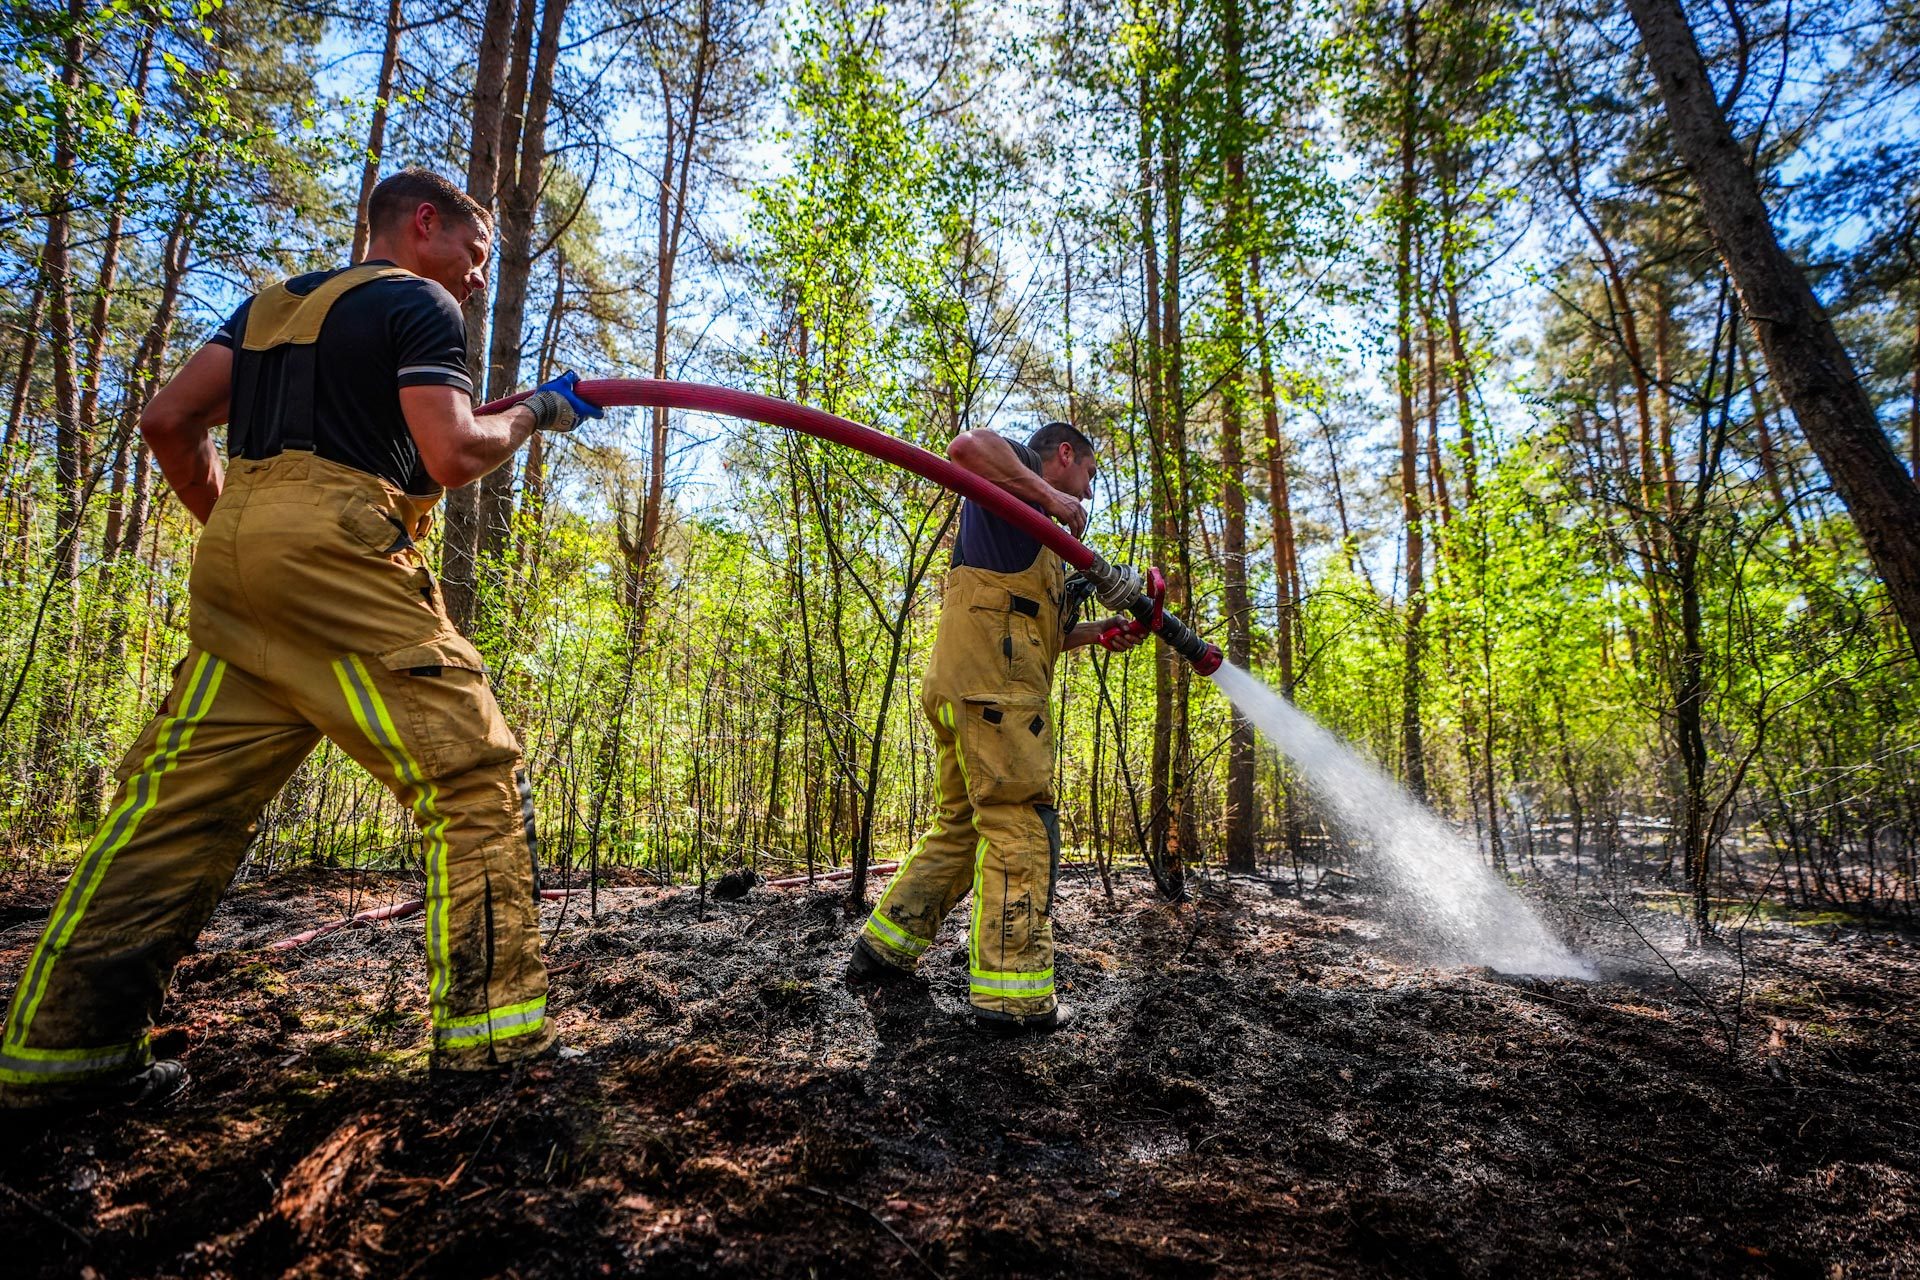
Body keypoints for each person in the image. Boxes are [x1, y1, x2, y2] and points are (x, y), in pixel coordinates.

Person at [0, 168, 603, 1108]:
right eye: (476, 253)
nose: (479, 277)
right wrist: (535, 412)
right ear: (425, 223)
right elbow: (452, 453)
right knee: (472, 776)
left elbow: (167, 420)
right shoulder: (421, 303)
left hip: (237, 565)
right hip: (340, 557)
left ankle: (60, 1059)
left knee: (172, 812)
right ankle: (494, 1051)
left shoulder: (270, 307)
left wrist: (243, 533)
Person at [845, 421, 1145, 1031]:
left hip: (966, 691)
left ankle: (883, 949)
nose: (1087, 493)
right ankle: (1013, 999)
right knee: (1019, 827)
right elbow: (965, 448)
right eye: (1088, 476)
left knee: (960, 826)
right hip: (996, 698)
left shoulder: (1030, 530)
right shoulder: (1017, 471)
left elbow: (1035, 627)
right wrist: (1051, 495)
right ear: (1065, 454)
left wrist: (1097, 634)